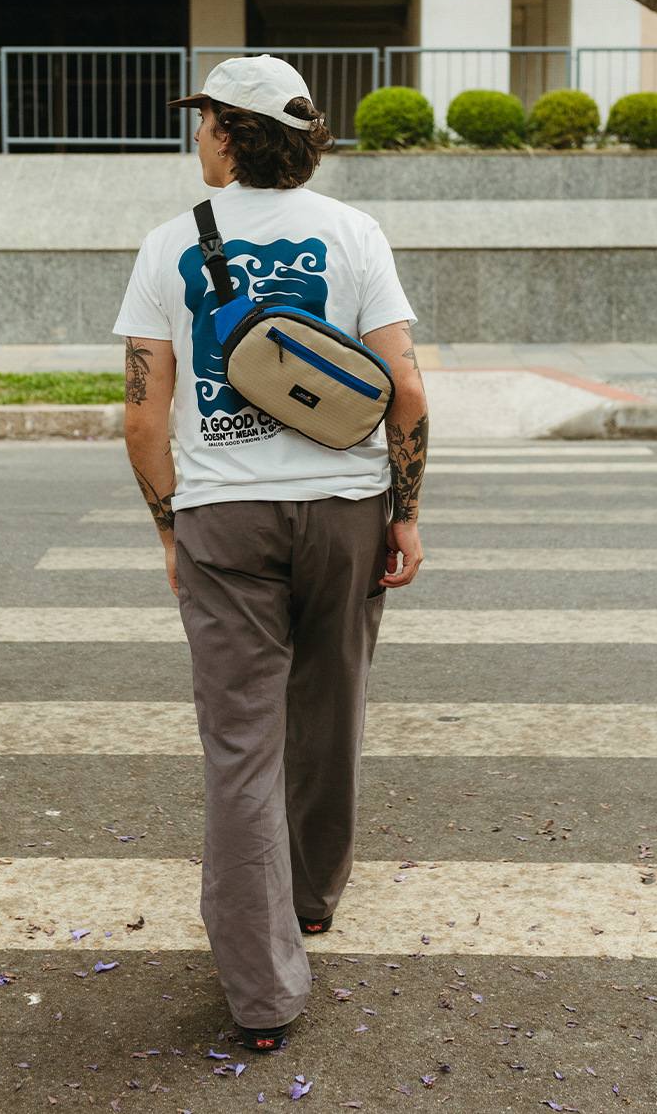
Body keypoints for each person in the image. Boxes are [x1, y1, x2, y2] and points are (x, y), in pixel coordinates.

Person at [113, 54, 428, 1051]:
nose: (196, 134)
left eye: (204, 119)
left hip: (226, 522)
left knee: (241, 747)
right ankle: (314, 897)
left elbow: (139, 416)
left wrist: (172, 525)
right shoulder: (354, 234)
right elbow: (407, 393)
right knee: (332, 703)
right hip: (346, 506)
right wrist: (405, 514)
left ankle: (261, 995)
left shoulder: (169, 246)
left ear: (234, 133)